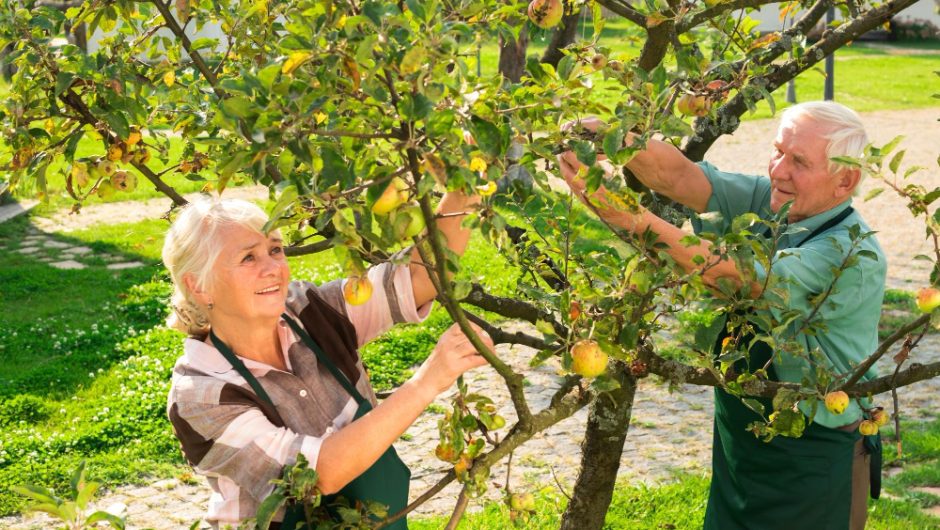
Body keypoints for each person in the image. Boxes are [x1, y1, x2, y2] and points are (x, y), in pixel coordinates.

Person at [558, 101, 885, 530]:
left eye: (799, 161)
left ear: (846, 179)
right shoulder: (770, 205)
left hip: (814, 456)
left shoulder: (850, 253)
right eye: (778, 151)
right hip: (744, 444)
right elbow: (678, 176)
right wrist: (612, 137)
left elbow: (746, 279)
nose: (779, 170)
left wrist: (631, 218)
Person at [161, 190, 491, 529]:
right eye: (249, 258)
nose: (273, 268)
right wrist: (426, 382)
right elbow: (316, 476)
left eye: (275, 249)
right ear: (199, 286)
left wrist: (462, 179)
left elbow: (420, 278)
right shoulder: (202, 394)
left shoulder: (309, 312)